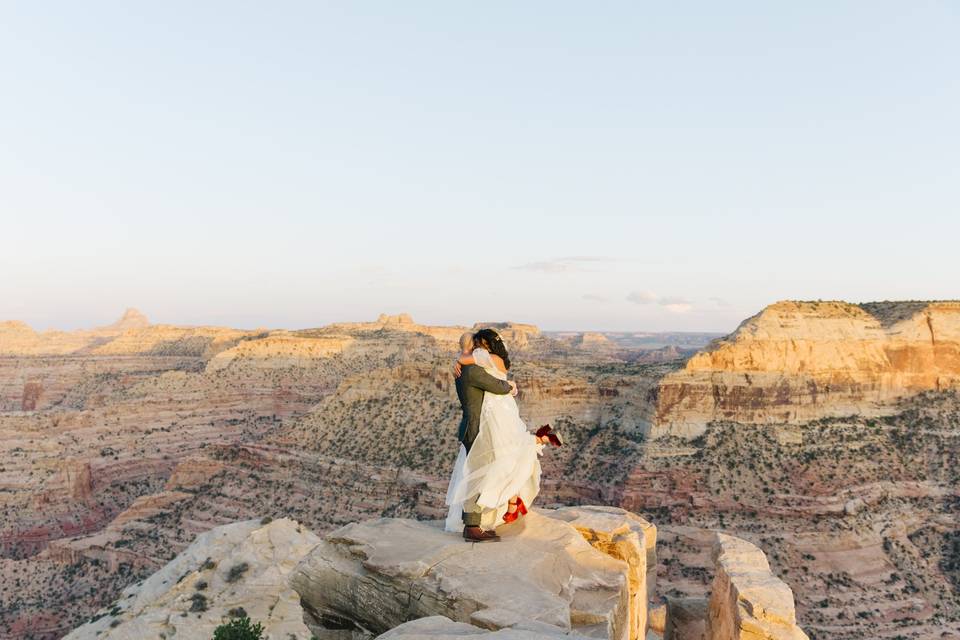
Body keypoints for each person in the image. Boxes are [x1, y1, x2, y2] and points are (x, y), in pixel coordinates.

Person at [444, 329, 562, 539]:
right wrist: (511, 386)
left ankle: (494, 512)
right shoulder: (472, 370)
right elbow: (498, 386)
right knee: (478, 475)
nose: (480, 348)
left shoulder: (464, 368)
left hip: (472, 426)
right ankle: (472, 526)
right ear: (473, 346)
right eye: (477, 345)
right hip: (479, 429)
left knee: (489, 468)